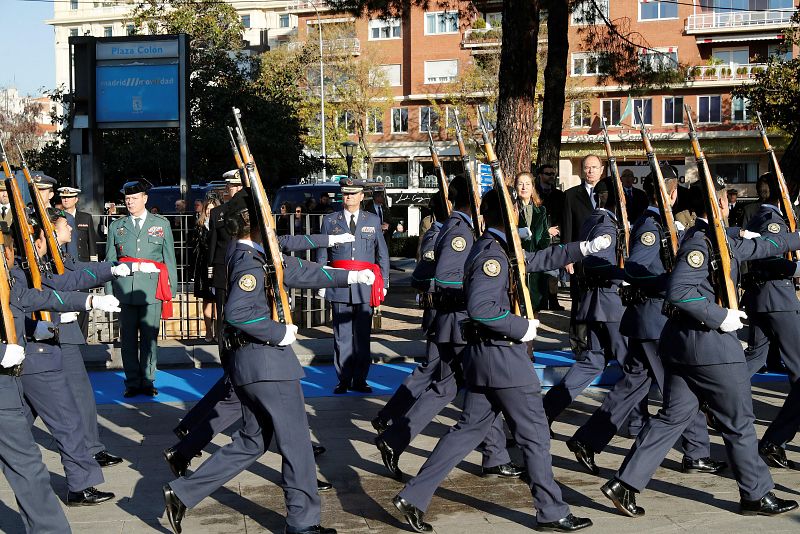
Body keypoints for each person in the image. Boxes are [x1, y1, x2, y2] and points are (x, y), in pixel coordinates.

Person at [391, 188, 606, 533]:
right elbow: (481, 308)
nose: (520, 213)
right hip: (503, 357)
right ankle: (551, 511)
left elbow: (536, 260)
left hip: (485, 357)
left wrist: (582, 248)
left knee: (467, 431)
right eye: (516, 210)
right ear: (508, 216)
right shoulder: (493, 254)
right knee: (535, 434)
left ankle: (413, 496)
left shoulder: (497, 247)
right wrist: (522, 327)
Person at [161, 195, 367, 534]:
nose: (273, 223)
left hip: (252, 366)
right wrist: (279, 332)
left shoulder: (248, 253)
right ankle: (303, 523)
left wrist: (348, 278)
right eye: (267, 218)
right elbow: (239, 312)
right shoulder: (248, 260)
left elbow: (294, 270)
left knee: (253, 442)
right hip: (268, 364)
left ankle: (183, 492)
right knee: (298, 445)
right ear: (254, 223)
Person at [601, 178, 800, 518]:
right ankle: (756, 493)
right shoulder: (701, 243)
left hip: (684, 347)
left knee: (672, 418)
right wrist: (720, 316)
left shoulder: (717, 238)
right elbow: (679, 291)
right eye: (725, 201)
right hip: (709, 347)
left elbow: (763, 247)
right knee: (739, 420)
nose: (730, 206)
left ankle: (625, 483)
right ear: (717, 206)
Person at [564, 172, 725, 476]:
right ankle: (696, 452)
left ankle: (587, 439)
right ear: (670, 195)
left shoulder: (660, 225)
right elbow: (636, 269)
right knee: (680, 387)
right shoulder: (651, 227)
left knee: (631, 387)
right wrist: (670, 282)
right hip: (653, 320)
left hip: (648, 319)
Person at [373, 177, 522, 482]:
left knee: (448, 387)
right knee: (478, 386)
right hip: (459, 323)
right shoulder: (460, 232)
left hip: (455, 322)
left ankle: (396, 439)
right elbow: (446, 278)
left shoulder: (460, 227)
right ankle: (493, 455)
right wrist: (476, 290)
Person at [11, 218, 123, 507]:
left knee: (15, 426)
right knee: (69, 423)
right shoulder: (15, 271)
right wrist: (89, 303)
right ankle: (80, 485)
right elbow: (37, 297)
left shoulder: (24, 268)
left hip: (23, 356)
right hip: (35, 359)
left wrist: (106, 276)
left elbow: (63, 282)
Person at [543, 180, 636, 434]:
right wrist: (628, 274)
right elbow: (599, 265)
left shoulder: (592, 219)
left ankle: (546, 410)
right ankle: (637, 422)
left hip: (594, 303)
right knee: (633, 366)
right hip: (610, 305)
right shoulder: (607, 225)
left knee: (591, 362)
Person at [740, 172, 800, 468]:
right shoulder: (772, 220)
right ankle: (775, 440)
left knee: (755, 356)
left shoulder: (756, 217)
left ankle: (712, 395)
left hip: (760, 299)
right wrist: (796, 267)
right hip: (778, 299)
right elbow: (773, 256)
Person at [105, 180, 178, 398]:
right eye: (127, 199)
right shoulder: (116, 227)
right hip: (124, 291)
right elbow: (110, 261)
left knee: (150, 339)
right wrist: (109, 292)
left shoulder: (161, 224)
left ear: (145, 199)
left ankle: (148, 379)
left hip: (151, 291)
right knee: (127, 340)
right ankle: (132, 382)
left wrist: (170, 289)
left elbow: (169, 259)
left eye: (134, 198)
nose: (129, 202)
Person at [317, 178, 390, 394]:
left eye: (352, 193)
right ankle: (343, 378)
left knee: (362, 335)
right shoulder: (330, 220)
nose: (348, 197)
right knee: (341, 335)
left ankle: (360, 379)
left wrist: (384, 282)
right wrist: (321, 280)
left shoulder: (373, 220)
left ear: (361, 196)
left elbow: (382, 253)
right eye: (345, 193)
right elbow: (323, 253)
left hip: (365, 284)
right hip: (339, 282)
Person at [59, 186, 100, 337]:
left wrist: (94, 266)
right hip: (64, 265)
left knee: (84, 300)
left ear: (76, 199)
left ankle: (82, 337)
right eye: (63, 197)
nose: (66, 199)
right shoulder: (57, 217)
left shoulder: (85, 217)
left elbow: (91, 242)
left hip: (82, 266)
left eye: (69, 197)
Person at [207, 170, 244, 338]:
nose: (234, 189)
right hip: (223, 268)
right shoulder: (217, 213)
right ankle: (223, 343)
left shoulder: (252, 210)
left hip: (245, 265)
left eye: (238, 186)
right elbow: (213, 245)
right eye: (232, 186)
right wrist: (211, 271)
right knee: (222, 309)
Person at [516, 171, 558, 311]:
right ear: (516, 187)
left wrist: (546, 236)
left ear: (532, 187)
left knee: (535, 304)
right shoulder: (511, 210)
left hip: (536, 263)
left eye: (527, 184)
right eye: (520, 183)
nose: (524, 187)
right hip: (516, 262)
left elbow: (543, 239)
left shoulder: (541, 210)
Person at [535, 164, 565, 310]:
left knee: (554, 271)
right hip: (539, 237)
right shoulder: (534, 192)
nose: (551, 177)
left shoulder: (559, 195)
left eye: (553, 174)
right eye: (548, 174)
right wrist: (546, 230)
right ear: (540, 175)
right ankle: (541, 300)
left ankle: (553, 300)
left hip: (555, 238)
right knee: (539, 271)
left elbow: (563, 214)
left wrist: (558, 228)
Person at [191, 197, 220, 342]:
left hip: (218, 266)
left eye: (212, 208)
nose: (209, 211)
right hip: (204, 267)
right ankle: (209, 331)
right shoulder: (199, 226)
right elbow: (194, 248)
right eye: (207, 208)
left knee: (219, 300)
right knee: (207, 300)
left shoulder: (221, 225)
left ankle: (219, 332)